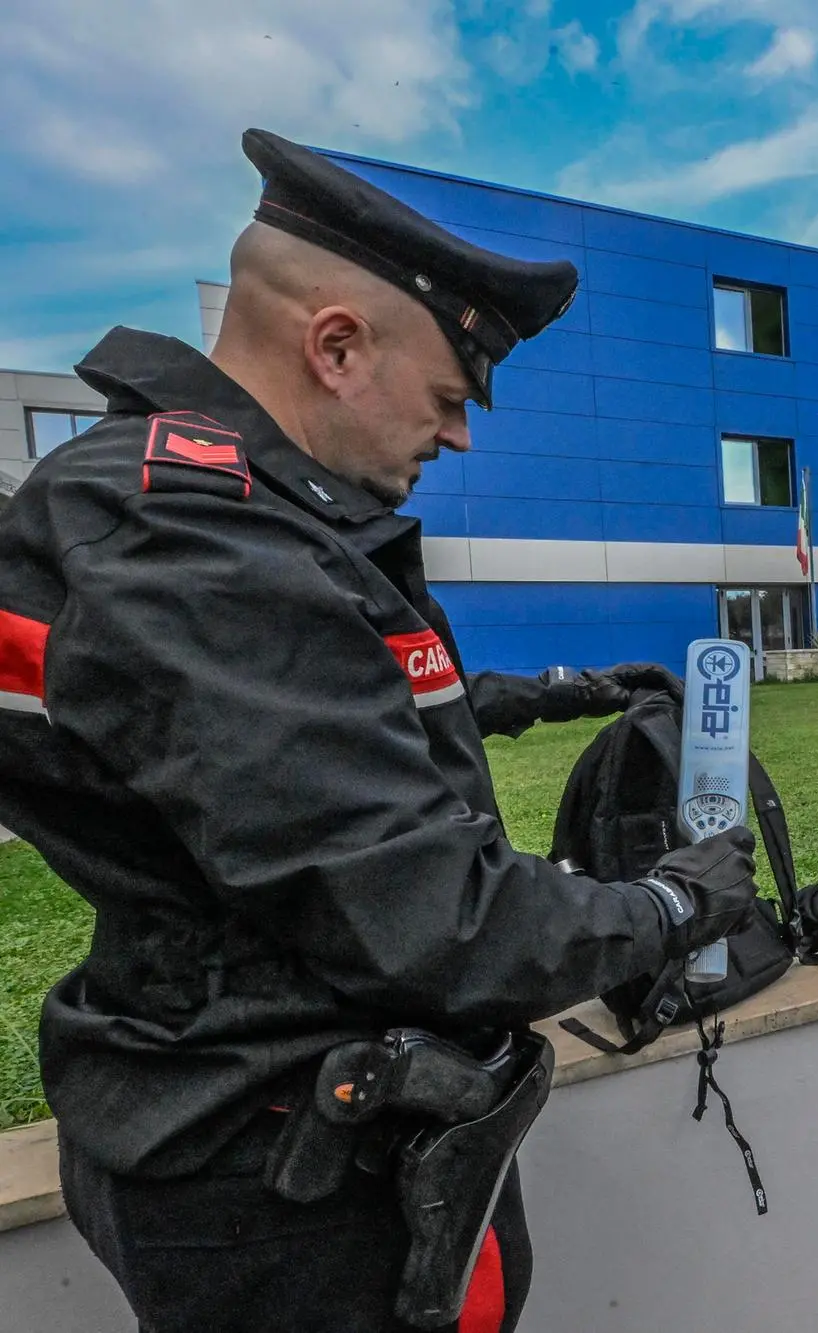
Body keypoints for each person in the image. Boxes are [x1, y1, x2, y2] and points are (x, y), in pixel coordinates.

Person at [0, 129, 757, 1332]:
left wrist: (556, 688)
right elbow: (433, 916)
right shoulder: (196, 542)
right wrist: (670, 904)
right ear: (337, 345)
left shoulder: (215, 510)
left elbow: (307, 720)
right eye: (452, 398)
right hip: (288, 1178)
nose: (458, 437)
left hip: (268, 1126)